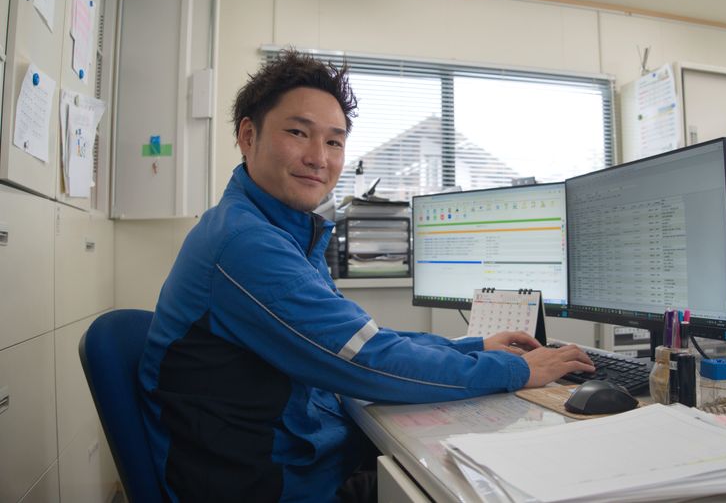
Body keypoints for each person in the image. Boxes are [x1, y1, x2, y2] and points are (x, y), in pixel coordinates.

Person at [138, 49, 594, 502]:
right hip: (271, 487)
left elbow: (359, 338)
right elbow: (366, 358)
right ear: (248, 135)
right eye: (298, 132)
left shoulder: (283, 231)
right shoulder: (246, 243)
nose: (318, 157)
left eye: (334, 142)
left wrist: (472, 346)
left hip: (292, 463)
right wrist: (516, 369)